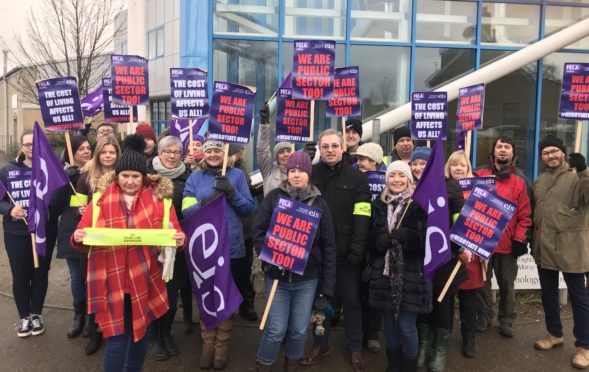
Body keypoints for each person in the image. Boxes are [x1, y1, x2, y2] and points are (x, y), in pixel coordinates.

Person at [71, 135, 186, 372]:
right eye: (125, 176)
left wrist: (179, 239)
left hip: (145, 278)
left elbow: (175, 234)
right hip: (110, 281)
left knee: (140, 337)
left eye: (135, 176)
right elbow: (81, 234)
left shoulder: (161, 201)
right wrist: (77, 237)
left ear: (144, 177)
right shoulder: (100, 200)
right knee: (116, 340)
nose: (130, 181)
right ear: (117, 175)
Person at [253, 151, 336, 371]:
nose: (296, 175)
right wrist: (270, 261)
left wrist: (326, 288)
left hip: (307, 279)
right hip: (277, 277)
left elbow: (328, 247)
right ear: (287, 173)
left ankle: (291, 364)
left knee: (299, 329)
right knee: (275, 329)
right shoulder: (274, 198)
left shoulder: (320, 204)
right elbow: (258, 232)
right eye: (292, 171)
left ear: (309, 174)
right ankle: (265, 362)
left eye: (301, 171)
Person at [300, 129, 371, 372]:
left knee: (351, 302)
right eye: (325, 146)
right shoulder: (311, 174)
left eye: (334, 146)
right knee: (319, 304)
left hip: (345, 254)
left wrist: (357, 249)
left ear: (343, 148)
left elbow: (363, 216)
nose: (330, 150)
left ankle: (354, 348)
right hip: (315, 254)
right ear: (319, 148)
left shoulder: (357, 178)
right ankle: (321, 343)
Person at [182, 139, 254, 370]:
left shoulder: (237, 176)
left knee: (225, 295)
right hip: (204, 246)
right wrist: (206, 201)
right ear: (204, 153)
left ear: (225, 153)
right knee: (207, 294)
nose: (213, 154)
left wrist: (231, 193)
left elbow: (248, 208)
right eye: (209, 150)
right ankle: (207, 345)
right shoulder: (194, 177)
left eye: (217, 150)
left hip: (231, 246)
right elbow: (186, 209)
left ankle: (221, 346)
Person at [531, 135, 589, 369]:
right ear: (542, 157)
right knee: (548, 294)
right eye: (546, 153)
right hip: (543, 248)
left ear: (563, 153)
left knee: (579, 299)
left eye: (555, 151)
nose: (551, 156)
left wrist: (584, 170)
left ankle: (584, 346)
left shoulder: (578, 178)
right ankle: (554, 334)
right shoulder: (539, 181)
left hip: (571, 248)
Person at [367, 160, 431, 371]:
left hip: (410, 275)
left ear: (409, 179)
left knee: (405, 325)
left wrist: (408, 237)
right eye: (392, 175)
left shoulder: (419, 206)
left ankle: (409, 366)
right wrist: (379, 240)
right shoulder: (378, 204)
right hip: (384, 276)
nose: (397, 180)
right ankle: (393, 365)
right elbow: (369, 237)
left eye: (401, 176)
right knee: (390, 326)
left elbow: (429, 241)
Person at [413, 147, 467, 372]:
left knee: (442, 303)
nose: (417, 168)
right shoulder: (410, 187)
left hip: (445, 257)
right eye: (414, 163)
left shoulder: (451, 187)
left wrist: (460, 247)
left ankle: (440, 349)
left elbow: (458, 219)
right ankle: (424, 346)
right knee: (423, 302)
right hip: (418, 257)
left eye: (422, 163)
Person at [0, 129, 58, 338]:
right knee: (20, 276)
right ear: (21, 148)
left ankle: (36, 315)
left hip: (44, 231)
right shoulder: (7, 171)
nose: (31, 148)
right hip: (16, 232)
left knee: (40, 274)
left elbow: (57, 196)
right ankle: (24, 316)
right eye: (27, 145)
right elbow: (1, 198)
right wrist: (9, 210)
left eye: (34, 144)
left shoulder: (48, 169)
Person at [476, 136, 532, 338]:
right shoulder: (479, 175)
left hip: (507, 245)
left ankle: (507, 320)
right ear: (493, 151)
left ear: (513, 154)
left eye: (507, 147)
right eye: (499, 146)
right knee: (481, 283)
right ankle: (484, 316)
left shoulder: (519, 181)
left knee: (507, 285)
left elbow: (525, 216)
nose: (503, 150)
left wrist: (520, 239)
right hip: (481, 242)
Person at [146, 135, 192, 361]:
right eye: (168, 152)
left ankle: (166, 332)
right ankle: (153, 336)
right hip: (151, 246)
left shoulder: (189, 175)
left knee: (172, 294)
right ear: (159, 153)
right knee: (153, 293)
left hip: (177, 245)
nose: (172, 156)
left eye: (176, 152)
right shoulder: (146, 176)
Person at [76, 135, 121, 354]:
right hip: (95, 242)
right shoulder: (85, 176)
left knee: (115, 288)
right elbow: (77, 204)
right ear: (98, 154)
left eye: (112, 152)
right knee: (96, 286)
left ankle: (111, 328)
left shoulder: (123, 175)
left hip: (118, 239)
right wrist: (80, 210)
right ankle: (95, 332)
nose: (108, 156)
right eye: (104, 152)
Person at [445, 150, 485, 358]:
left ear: (468, 168)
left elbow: (489, 221)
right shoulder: (442, 188)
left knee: (469, 300)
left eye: (462, 165)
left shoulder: (480, 190)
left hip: (471, 253)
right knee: (447, 300)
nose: (458, 168)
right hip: (448, 254)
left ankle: (469, 339)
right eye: (454, 164)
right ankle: (444, 336)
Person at [53, 135, 92, 339]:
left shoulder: (96, 170)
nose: (86, 151)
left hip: (94, 230)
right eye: (81, 149)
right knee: (77, 276)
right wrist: (65, 180)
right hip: (71, 228)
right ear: (72, 152)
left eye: (88, 148)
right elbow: (54, 205)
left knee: (91, 277)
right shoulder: (63, 174)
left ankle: (91, 316)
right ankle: (79, 316)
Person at [351, 142, 386, 353]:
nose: (358, 163)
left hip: (378, 242)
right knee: (357, 288)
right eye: (357, 159)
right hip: (358, 239)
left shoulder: (387, 179)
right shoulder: (355, 178)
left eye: (362, 159)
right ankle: (357, 329)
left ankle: (372, 331)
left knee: (375, 287)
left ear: (374, 161)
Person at [228, 144, 261, 321]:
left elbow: (246, 196)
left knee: (244, 271)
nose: (242, 152)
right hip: (229, 229)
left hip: (245, 229)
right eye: (239, 150)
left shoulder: (241, 170)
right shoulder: (224, 172)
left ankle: (246, 305)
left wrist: (258, 190)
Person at [256, 103, 293, 196]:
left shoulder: (299, 172)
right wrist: (264, 123)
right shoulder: (269, 171)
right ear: (276, 157)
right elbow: (262, 150)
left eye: (288, 151)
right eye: (281, 152)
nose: (286, 154)